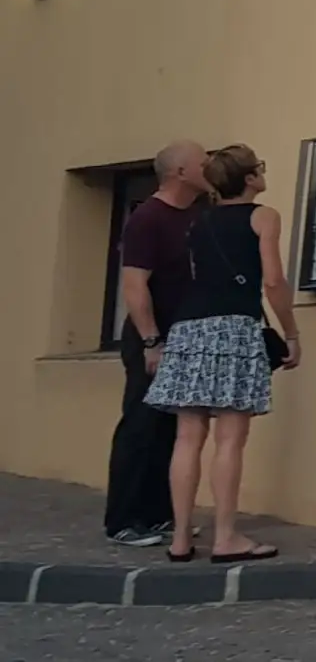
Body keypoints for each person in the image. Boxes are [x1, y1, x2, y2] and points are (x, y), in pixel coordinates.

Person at [146, 144, 297, 563]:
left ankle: (180, 539)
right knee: (230, 439)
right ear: (249, 179)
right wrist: (291, 332)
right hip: (235, 327)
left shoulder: (198, 221)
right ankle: (226, 537)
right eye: (259, 169)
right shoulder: (263, 215)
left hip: (189, 329)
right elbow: (272, 281)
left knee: (187, 437)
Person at [103, 141, 205, 549]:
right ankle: (124, 520)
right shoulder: (148, 218)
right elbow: (134, 284)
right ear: (180, 171)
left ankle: (160, 515)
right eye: (204, 162)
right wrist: (151, 341)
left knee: (170, 429)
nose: (210, 168)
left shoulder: (199, 215)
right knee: (141, 425)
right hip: (154, 337)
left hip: (185, 336)